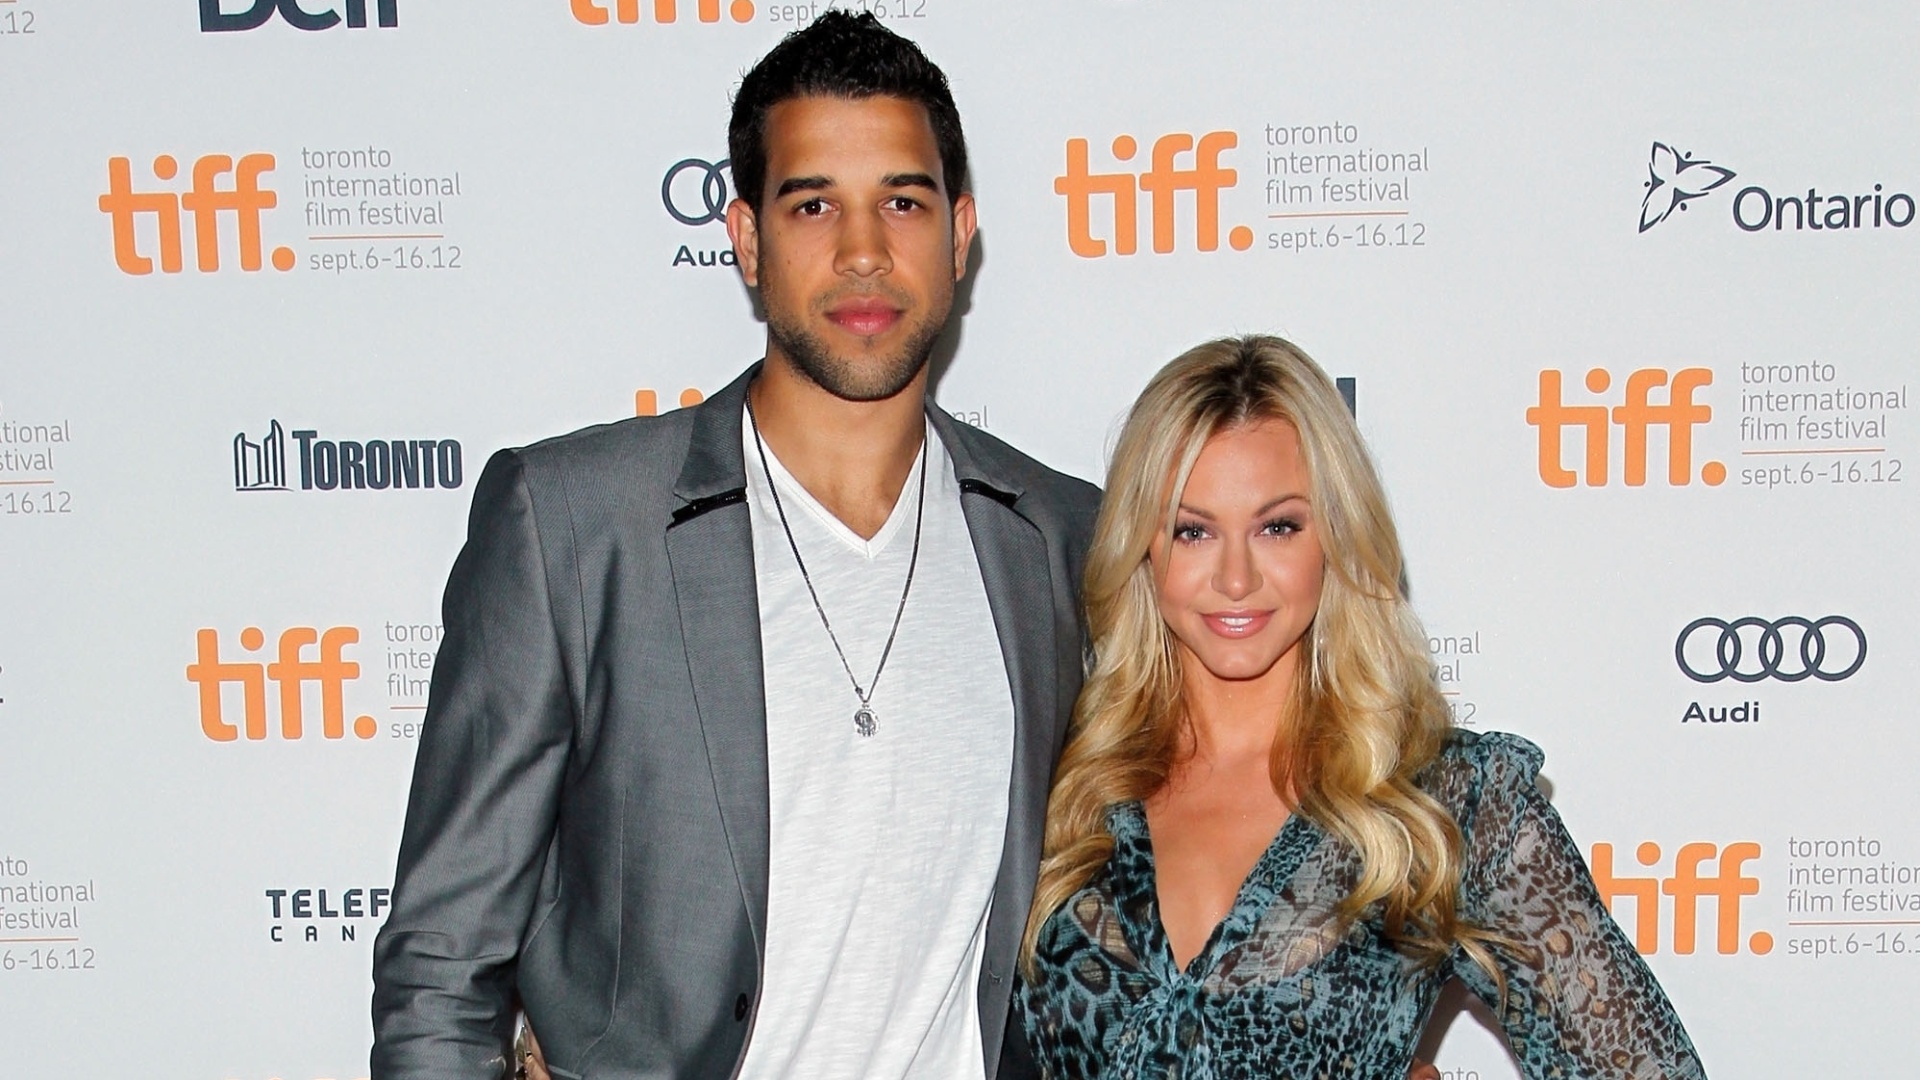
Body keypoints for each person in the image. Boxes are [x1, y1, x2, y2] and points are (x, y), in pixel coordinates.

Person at [370, 12, 1099, 1079]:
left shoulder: (1057, 536)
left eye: (903, 200)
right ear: (747, 238)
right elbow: (445, 958)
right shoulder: (573, 525)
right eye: (813, 206)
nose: (862, 251)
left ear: (961, 232)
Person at [1013, 336, 1707, 1079]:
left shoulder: (1445, 799)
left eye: (1278, 526)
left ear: (1336, 537)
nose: (1237, 577)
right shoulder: (1059, 787)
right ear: (1143, 547)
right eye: (1194, 530)